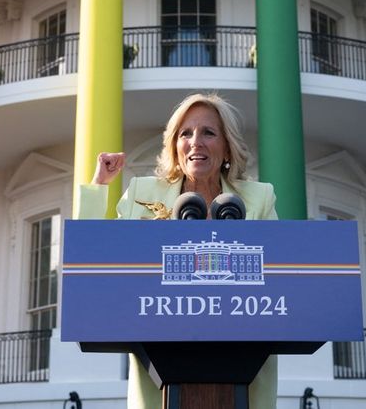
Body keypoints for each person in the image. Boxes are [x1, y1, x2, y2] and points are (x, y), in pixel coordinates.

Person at [78, 92, 278, 409]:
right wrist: (100, 184)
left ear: (226, 146)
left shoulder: (258, 198)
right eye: (186, 133)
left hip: (243, 363)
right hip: (161, 365)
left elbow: (281, 271)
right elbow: (92, 257)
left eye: (208, 132)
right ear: (174, 146)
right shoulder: (142, 192)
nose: (195, 142)